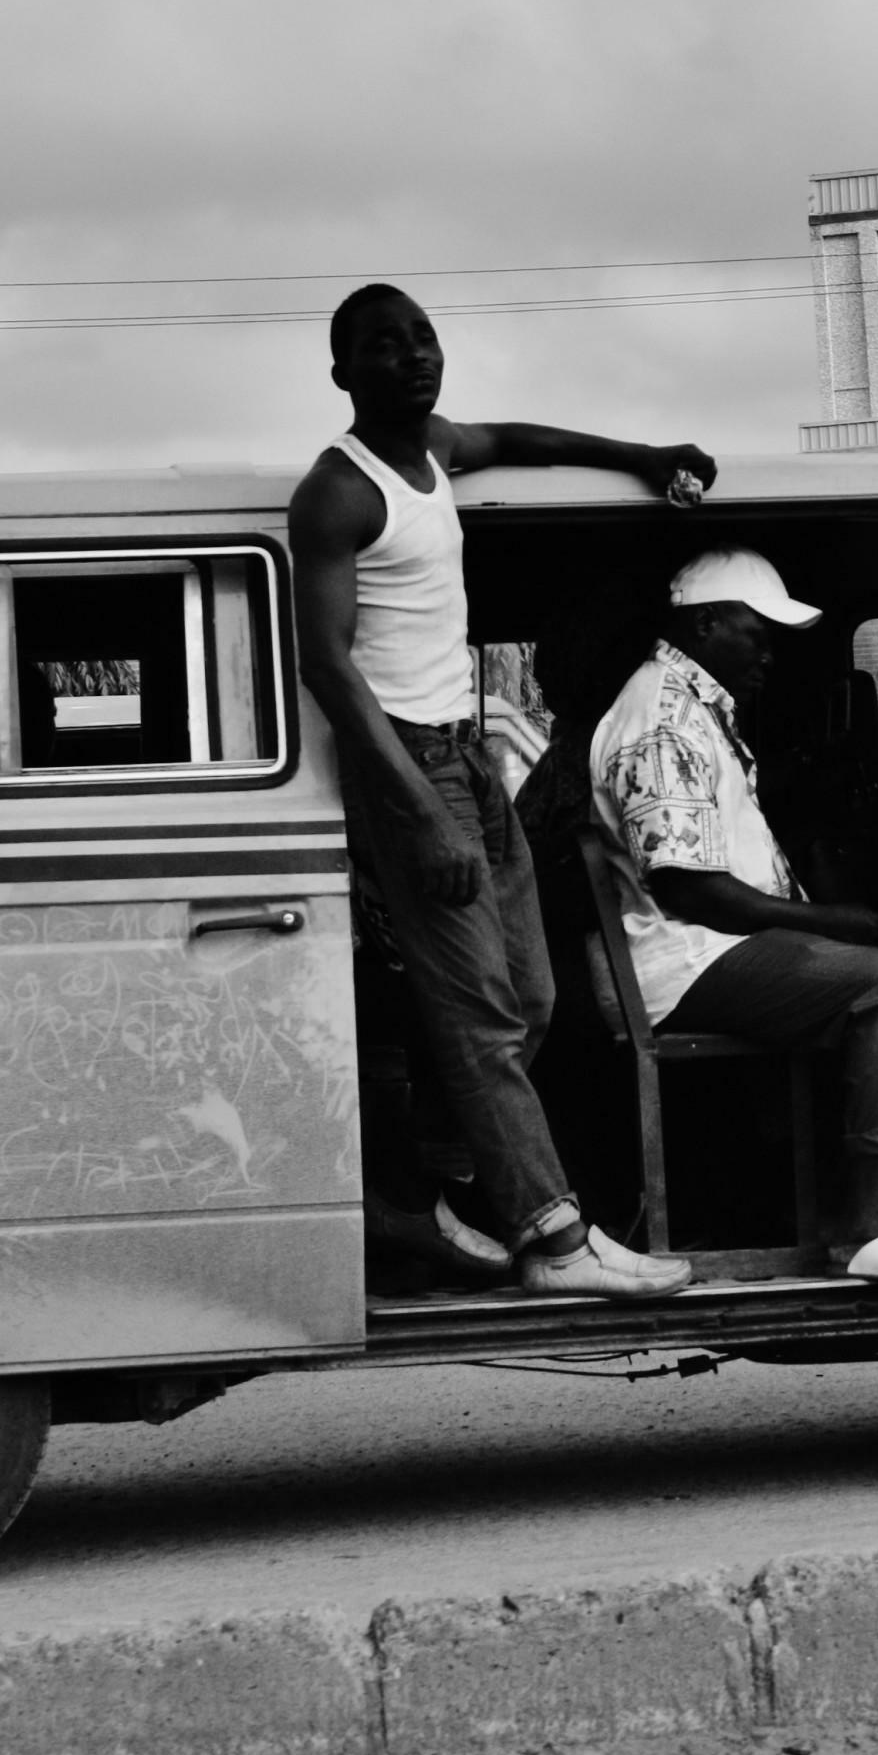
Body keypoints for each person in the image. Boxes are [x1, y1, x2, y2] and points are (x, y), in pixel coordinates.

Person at [291, 283, 713, 1301]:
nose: (412, 356)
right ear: (343, 372)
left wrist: (643, 456)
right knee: (482, 1015)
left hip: (469, 753)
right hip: (408, 766)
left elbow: (518, 438)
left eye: (423, 338)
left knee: (529, 995)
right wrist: (418, 812)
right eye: (383, 346)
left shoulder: (435, 452)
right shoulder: (338, 492)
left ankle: (433, 1186)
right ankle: (557, 1238)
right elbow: (328, 668)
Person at [589, 547, 878, 1281]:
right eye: (757, 633)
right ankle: (865, 1226)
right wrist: (851, 924)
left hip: (711, 947)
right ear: (705, 623)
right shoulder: (663, 720)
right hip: (688, 956)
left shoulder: (692, 706)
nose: (769, 653)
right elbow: (693, 892)